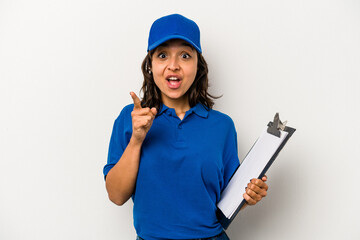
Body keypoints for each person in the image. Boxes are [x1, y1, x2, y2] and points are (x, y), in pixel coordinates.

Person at [103, 14, 268, 240]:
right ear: (150, 65)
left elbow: (228, 201)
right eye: (162, 55)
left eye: (185, 55)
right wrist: (137, 139)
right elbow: (116, 195)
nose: (173, 66)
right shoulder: (131, 118)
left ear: (198, 65)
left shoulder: (222, 126)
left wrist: (249, 196)